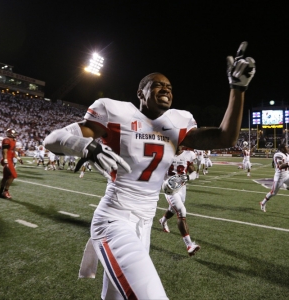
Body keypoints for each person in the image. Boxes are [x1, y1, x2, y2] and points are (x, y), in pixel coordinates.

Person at [44, 42, 255, 299]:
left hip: (144, 225)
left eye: (169, 87)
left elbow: (225, 138)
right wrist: (85, 146)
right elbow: (52, 140)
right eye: (157, 84)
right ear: (140, 93)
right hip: (114, 220)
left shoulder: (179, 122)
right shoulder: (114, 111)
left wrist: (238, 90)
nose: (165, 88)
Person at [159, 146, 199, 256]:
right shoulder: (165, 152)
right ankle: (189, 245)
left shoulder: (188, 154)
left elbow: (194, 172)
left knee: (172, 209)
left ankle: (162, 220)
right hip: (169, 188)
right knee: (181, 210)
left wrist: (189, 177)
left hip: (182, 188)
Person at [260, 144, 289, 212]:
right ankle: (263, 203)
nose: (288, 148)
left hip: (287, 175)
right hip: (279, 177)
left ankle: (287, 186)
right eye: (286, 147)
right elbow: (281, 166)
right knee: (273, 193)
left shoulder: (287, 154)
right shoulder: (278, 154)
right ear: (282, 149)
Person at [0, 128, 23, 199]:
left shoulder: (13, 141)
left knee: (5, 177)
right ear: (10, 134)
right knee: (13, 175)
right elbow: (4, 151)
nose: (15, 135)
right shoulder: (6, 140)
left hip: (10, 160)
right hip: (7, 160)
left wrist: (18, 158)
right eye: (14, 134)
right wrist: (5, 160)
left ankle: (0, 193)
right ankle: (5, 192)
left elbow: (12, 152)